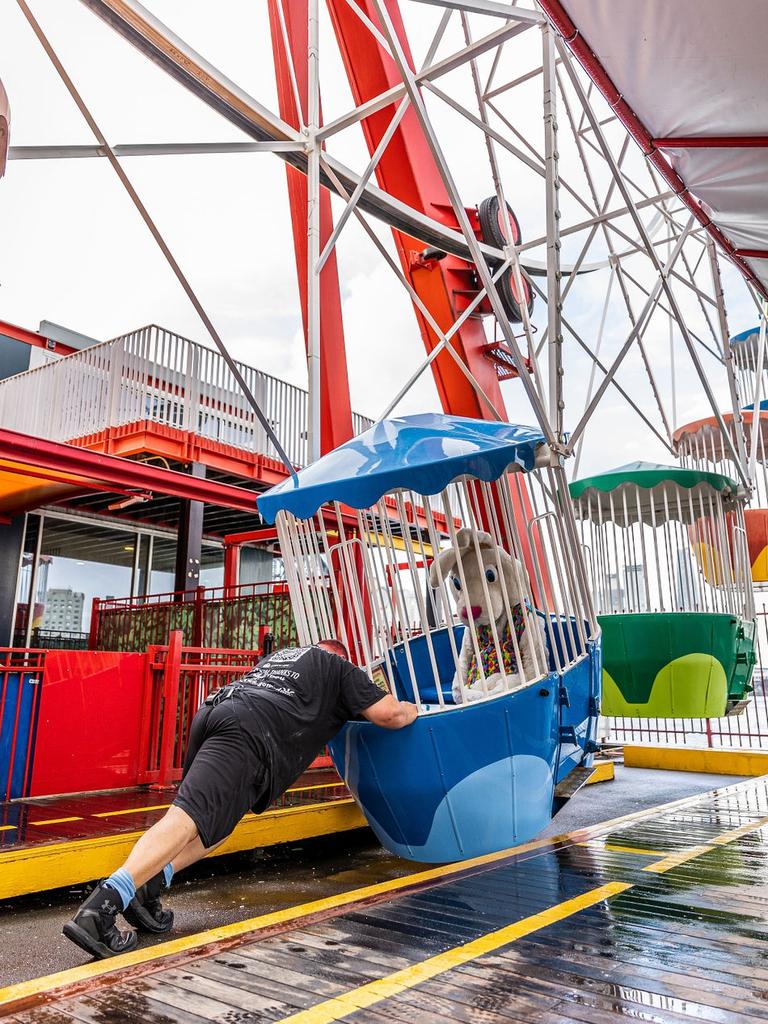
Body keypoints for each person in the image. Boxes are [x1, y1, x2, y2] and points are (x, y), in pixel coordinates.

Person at [63, 640, 417, 960]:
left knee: (215, 828)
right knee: (186, 818)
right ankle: (100, 909)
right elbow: (389, 715)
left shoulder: (281, 659)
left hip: (217, 713)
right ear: (339, 655)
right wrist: (411, 708)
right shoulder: (338, 666)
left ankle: (149, 883)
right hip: (249, 731)